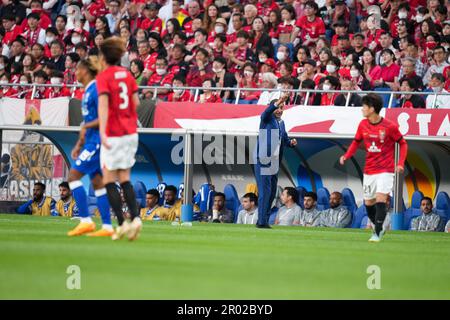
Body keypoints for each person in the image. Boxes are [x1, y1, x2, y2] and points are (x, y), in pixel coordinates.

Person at [339, 93, 408, 242]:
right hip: (370, 169)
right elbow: (356, 142)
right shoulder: (363, 124)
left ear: (372, 109)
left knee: (381, 199)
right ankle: (380, 227)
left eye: (364, 106)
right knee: (368, 203)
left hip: (386, 169)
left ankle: (377, 232)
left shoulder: (389, 126)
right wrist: (346, 156)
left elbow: (403, 143)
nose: (362, 109)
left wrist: (400, 163)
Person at [96, 36, 141, 241]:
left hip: (114, 132)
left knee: (108, 179)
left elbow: (103, 106)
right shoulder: (127, 75)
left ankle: (122, 224)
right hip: (130, 132)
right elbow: (136, 102)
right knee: (125, 177)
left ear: (104, 57)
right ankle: (137, 219)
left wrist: (103, 132)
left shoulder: (104, 77)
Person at [66, 56, 114, 237]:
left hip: (98, 143)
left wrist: (85, 128)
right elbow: (87, 122)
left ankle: (85, 220)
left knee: (73, 176)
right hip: (92, 141)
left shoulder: (96, 90)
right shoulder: (87, 92)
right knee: (98, 183)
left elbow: (105, 116)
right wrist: (80, 142)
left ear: (85, 71)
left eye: (77, 69)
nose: (75, 72)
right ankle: (108, 227)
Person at [254, 94, 297, 229]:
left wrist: (291, 143)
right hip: (264, 159)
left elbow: (283, 140)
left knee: (272, 192)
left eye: (282, 107)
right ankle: (262, 222)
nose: (279, 110)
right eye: (277, 107)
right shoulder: (267, 119)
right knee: (265, 191)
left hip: (274, 161)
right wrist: (279, 101)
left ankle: (264, 220)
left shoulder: (281, 123)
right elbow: (265, 113)